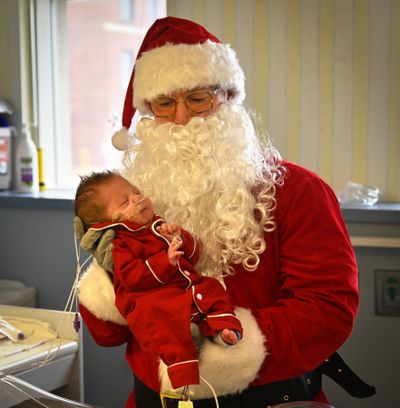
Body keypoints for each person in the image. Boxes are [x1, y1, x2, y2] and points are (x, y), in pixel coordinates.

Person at [74, 16, 371, 408]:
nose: (182, 118)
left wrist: (227, 353)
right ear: (148, 112)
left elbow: (328, 311)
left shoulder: (299, 191)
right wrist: (107, 277)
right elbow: (108, 335)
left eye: (198, 97)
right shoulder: (132, 202)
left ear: (229, 96)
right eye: (165, 103)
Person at [74, 171, 243, 390]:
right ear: (106, 223)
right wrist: (165, 261)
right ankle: (184, 371)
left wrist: (179, 237)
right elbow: (132, 277)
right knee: (164, 325)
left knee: (212, 289)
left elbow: (195, 254)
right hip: (155, 300)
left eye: (137, 192)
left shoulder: (158, 226)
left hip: (187, 290)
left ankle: (225, 329)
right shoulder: (121, 246)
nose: (137, 199)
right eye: (125, 202)